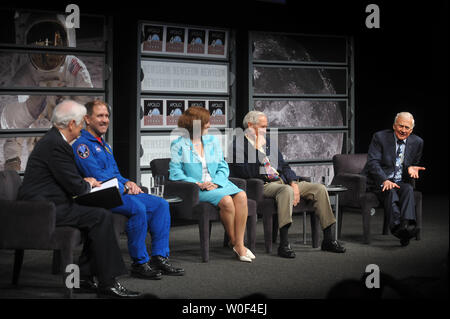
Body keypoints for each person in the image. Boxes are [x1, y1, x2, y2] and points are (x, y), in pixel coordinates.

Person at [17, 100, 140, 298]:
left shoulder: (53, 141)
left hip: (50, 204)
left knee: (100, 214)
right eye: (81, 124)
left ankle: (83, 277)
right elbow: (75, 186)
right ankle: (108, 283)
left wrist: (84, 181)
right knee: (100, 217)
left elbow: (67, 179)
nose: (82, 128)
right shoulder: (56, 145)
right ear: (72, 124)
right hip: (43, 210)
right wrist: (88, 183)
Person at [72, 100, 184, 278]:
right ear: (87, 119)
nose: (105, 120)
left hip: (118, 190)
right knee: (136, 207)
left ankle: (160, 257)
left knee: (161, 204)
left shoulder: (105, 145)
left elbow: (116, 173)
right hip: (101, 195)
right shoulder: (82, 146)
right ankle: (139, 263)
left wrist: (130, 182)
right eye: (100, 116)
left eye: (107, 116)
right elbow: (97, 177)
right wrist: (124, 186)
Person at [229, 111, 345, 258]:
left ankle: (328, 239)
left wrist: (294, 183)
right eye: (262, 127)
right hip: (262, 185)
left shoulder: (269, 142)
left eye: (266, 127)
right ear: (250, 126)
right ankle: (284, 244)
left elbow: (284, 166)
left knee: (320, 189)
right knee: (286, 191)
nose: (266, 130)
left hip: (283, 181)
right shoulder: (237, 145)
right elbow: (245, 173)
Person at [0, 13, 93, 171]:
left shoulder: (74, 67)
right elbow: (15, 125)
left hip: (68, 137)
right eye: (41, 43)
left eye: (55, 42)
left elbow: (87, 111)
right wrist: (12, 161)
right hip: (39, 138)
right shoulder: (26, 73)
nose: (48, 51)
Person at [169, 106, 255, 262]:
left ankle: (238, 243)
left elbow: (223, 166)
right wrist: (198, 183)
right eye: (206, 122)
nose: (209, 125)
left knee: (241, 195)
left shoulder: (212, 141)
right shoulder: (178, 144)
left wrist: (216, 182)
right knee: (227, 201)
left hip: (217, 184)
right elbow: (175, 174)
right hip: (197, 189)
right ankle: (237, 244)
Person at [362, 112, 425, 246]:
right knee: (390, 191)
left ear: (411, 130)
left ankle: (406, 226)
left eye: (407, 128)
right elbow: (373, 163)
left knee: (408, 188)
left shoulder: (418, 142)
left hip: (400, 182)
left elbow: (412, 165)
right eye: (400, 126)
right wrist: (384, 180)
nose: (403, 130)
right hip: (378, 182)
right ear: (394, 126)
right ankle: (397, 228)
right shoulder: (380, 137)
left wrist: (410, 168)